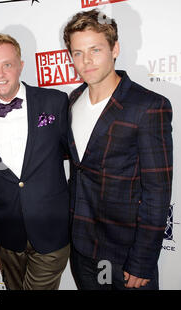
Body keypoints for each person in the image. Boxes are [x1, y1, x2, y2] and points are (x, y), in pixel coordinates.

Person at [63, 9, 172, 290]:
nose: (85, 61)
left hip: (125, 255)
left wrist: (143, 260)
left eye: (95, 50)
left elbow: (157, 192)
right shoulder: (73, 100)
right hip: (82, 248)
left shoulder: (148, 106)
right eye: (77, 53)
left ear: (115, 49)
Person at [0, 34, 70, 290]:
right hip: (7, 234)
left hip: (51, 230)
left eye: (8, 64)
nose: (0, 73)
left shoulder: (55, 102)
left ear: (21, 65)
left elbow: (73, 153)